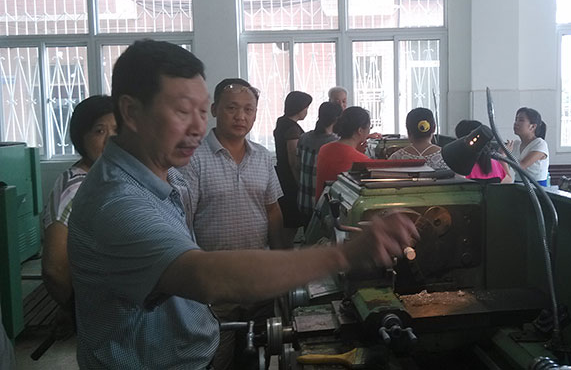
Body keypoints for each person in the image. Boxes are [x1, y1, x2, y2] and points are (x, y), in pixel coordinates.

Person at [67, 39, 418, 369]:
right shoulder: (117, 202)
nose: (197, 127)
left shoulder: (166, 175)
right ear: (131, 112)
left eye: (201, 112)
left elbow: (270, 212)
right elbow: (205, 277)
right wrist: (344, 255)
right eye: (182, 111)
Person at [179, 78, 284, 369]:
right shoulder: (193, 158)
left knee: (258, 354)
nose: (241, 116)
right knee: (218, 356)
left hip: (258, 277)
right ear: (214, 109)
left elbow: (273, 211)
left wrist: (281, 261)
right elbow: (183, 220)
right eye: (232, 108)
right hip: (215, 281)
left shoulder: (262, 156)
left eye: (249, 109)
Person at [41, 95, 116, 333]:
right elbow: (54, 268)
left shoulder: (105, 177)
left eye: (117, 130)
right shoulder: (76, 188)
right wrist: (75, 308)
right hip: (103, 319)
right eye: (99, 131)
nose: (110, 139)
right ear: (80, 138)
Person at [297, 101, 343, 221]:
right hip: (322, 205)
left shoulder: (304, 138)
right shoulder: (335, 143)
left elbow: (297, 166)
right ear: (337, 120)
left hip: (303, 200)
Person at [316, 106, 374, 200]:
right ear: (360, 130)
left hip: (323, 205)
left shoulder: (324, 148)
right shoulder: (362, 161)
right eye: (369, 127)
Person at [274, 91, 313, 231]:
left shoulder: (282, 121)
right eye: (306, 108)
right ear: (299, 108)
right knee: (291, 225)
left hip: (281, 175)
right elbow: (293, 161)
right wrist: (299, 184)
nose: (306, 111)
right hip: (289, 180)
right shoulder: (292, 129)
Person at [506, 107, 549, 186]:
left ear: (532, 127)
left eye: (521, 120)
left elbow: (521, 166)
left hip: (537, 188)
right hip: (518, 186)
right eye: (516, 119)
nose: (516, 123)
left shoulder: (540, 144)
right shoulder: (516, 144)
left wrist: (505, 155)